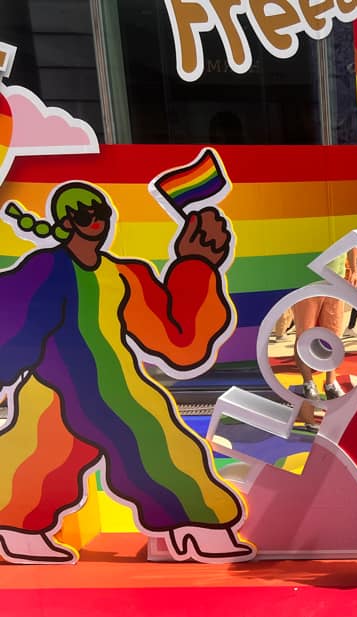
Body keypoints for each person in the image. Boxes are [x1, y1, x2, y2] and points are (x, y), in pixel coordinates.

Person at [0, 182, 253, 563]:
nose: (98, 222)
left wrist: (196, 264)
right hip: (72, 386)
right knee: (144, 439)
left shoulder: (123, 275)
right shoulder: (47, 268)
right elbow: (16, 324)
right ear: (68, 222)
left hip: (108, 385)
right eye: (87, 215)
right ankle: (201, 523)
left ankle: (201, 525)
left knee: (63, 444)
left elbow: (178, 341)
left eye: (101, 213)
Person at [293, 248, 357, 400]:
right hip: (306, 278)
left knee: (333, 333)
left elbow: (350, 237)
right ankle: (308, 383)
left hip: (335, 278)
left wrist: (354, 270)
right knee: (304, 333)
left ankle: (330, 382)